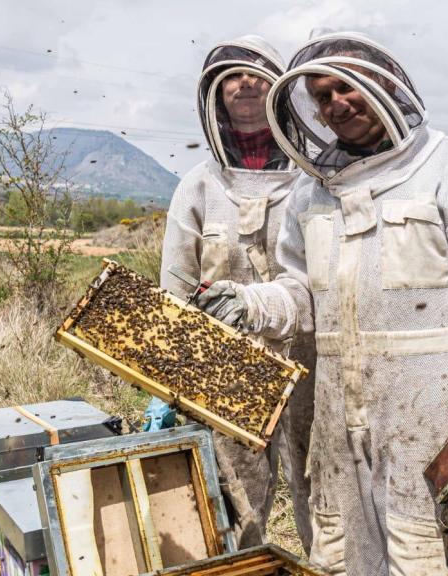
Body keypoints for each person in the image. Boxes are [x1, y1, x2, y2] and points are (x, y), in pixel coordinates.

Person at [197, 32, 448, 575]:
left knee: (434, 561)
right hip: (338, 429)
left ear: (381, 81)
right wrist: (251, 303)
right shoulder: (313, 192)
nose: (337, 104)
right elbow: (303, 290)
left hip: (430, 424)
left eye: (345, 87)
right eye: (323, 97)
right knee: (342, 561)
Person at [159, 35, 315, 552]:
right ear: (215, 96)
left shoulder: (316, 180)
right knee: (231, 498)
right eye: (232, 76)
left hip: (314, 357)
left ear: (281, 93)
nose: (245, 83)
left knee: (324, 488)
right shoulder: (198, 187)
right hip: (224, 363)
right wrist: (169, 377)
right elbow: (175, 288)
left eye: (256, 73)